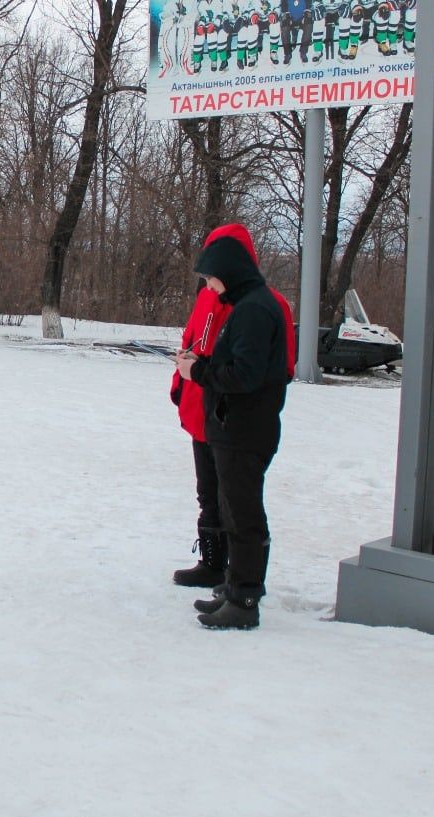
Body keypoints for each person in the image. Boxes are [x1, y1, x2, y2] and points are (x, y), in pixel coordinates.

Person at [169, 226, 297, 593]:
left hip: (235, 415)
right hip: (202, 406)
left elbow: (260, 368)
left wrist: (203, 371)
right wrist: (182, 381)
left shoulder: (257, 304)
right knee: (209, 492)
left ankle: (241, 583)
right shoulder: (210, 297)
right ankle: (213, 562)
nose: (209, 283)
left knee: (237, 503)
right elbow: (194, 338)